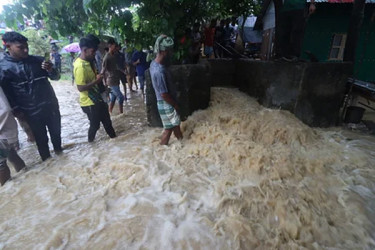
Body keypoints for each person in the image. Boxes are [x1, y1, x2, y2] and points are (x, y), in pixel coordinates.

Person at [0, 32, 62, 161]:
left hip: (50, 106)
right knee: (41, 142)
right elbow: (6, 95)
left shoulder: (39, 60)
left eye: (26, 46)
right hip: (29, 112)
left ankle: (62, 158)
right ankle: (49, 165)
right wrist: (18, 112)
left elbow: (56, 77)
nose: (25, 49)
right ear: (8, 46)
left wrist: (50, 69)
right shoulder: (3, 68)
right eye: (20, 47)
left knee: (57, 136)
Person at [74, 36, 116, 142]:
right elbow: (80, 88)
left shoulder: (90, 61)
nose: (94, 54)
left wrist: (103, 88)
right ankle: (91, 144)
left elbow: (96, 78)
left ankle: (116, 141)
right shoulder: (80, 66)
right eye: (93, 51)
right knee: (95, 126)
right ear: (84, 50)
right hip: (89, 102)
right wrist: (96, 81)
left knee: (107, 122)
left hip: (98, 98)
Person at [150, 35, 183, 145]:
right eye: (170, 51)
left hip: (163, 103)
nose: (172, 53)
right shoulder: (159, 71)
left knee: (172, 127)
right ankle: (181, 145)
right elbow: (164, 94)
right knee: (170, 129)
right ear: (164, 52)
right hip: (166, 103)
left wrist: (161, 37)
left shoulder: (153, 64)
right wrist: (175, 105)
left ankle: (180, 144)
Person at [0, 87, 26, 185]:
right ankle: (27, 179)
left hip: (4, 132)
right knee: (12, 156)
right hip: (6, 131)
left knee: (1, 164)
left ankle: (7, 189)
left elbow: (5, 109)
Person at [101, 38, 125, 114]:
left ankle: (110, 112)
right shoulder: (106, 57)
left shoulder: (114, 55)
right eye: (114, 47)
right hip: (111, 82)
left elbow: (116, 66)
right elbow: (103, 71)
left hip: (116, 80)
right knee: (121, 97)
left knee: (113, 99)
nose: (116, 49)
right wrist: (104, 83)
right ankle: (122, 114)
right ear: (110, 46)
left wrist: (123, 71)